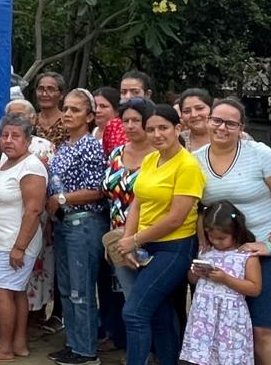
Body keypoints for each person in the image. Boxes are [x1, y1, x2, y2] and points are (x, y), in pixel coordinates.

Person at [194, 97, 271, 365]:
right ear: (208, 121)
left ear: (241, 128)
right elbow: (199, 208)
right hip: (227, 256)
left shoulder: (260, 154)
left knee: (262, 329)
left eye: (230, 123)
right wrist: (203, 244)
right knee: (230, 328)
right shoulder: (194, 161)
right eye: (217, 120)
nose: (222, 127)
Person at [117, 104, 205, 365]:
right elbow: (138, 202)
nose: (157, 134)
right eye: (151, 129)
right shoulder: (151, 159)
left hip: (174, 247)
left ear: (178, 129)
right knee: (160, 315)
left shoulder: (188, 165)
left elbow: (176, 218)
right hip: (147, 245)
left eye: (163, 128)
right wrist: (129, 239)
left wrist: (134, 240)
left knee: (134, 312)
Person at [0, 112, 48, 363]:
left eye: (15, 136)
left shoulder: (31, 167)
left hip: (15, 243)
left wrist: (19, 247)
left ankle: (4, 348)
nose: (8, 140)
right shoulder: (6, 161)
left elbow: (34, 210)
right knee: (15, 292)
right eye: (4, 135)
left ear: (28, 140)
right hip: (3, 242)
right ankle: (18, 344)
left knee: (0, 290)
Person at [45, 89, 109, 365]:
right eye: (66, 109)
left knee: (80, 290)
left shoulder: (90, 146)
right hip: (64, 224)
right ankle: (73, 343)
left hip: (84, 223)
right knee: (67, 288)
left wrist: (61, 199)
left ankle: (86, 350)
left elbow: (98, 190)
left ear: (89, 116)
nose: (68, 114)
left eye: (76, 110)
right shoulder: (65, 145)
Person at [180, 202, 262, 365]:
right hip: (203, 316)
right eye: (211, 237)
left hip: (229, 318)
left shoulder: (246, 256)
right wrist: (195, 273)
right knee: (201, 356)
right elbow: (192, 280)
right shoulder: (206, 252)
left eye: (221, 238)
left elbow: (255, 288)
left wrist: (225, 279)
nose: (216, 242)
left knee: (228, 356)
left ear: (235, 232)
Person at [101, 99, 154, 344]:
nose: (130, 126)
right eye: (126, 121)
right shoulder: (116, 153)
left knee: (150, 302)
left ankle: (156, 352)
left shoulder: (159, 155)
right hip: (119, 239)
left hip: (150, 237)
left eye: (136, 121)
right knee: (128, 298)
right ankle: (135, 351)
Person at [2, 97, 57, 319]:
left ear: (33, 120)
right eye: (11, 116)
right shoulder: (1, 144)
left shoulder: (45, 147)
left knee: (39, 266)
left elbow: (53, 185)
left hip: (37, 217)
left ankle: (36, 314)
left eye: (21, 116)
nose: (16, 120)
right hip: (7, 221)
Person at [33, 71, 68, 147]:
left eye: (51, 89)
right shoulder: (30, 122)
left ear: (61, 95)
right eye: (41, 89)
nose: (44, 94)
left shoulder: (68, 122)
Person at [177, 88, 213, 152]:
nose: (193, 115)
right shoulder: (176, 140)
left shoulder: (226, 137)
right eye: (187, 111)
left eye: (199, 108)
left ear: (212, 109)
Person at [93, 86, 125, 155]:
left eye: (103, 106)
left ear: (116, 111)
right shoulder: (91, 131)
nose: (97, 110)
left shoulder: (122, 134)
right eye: (95, 106)